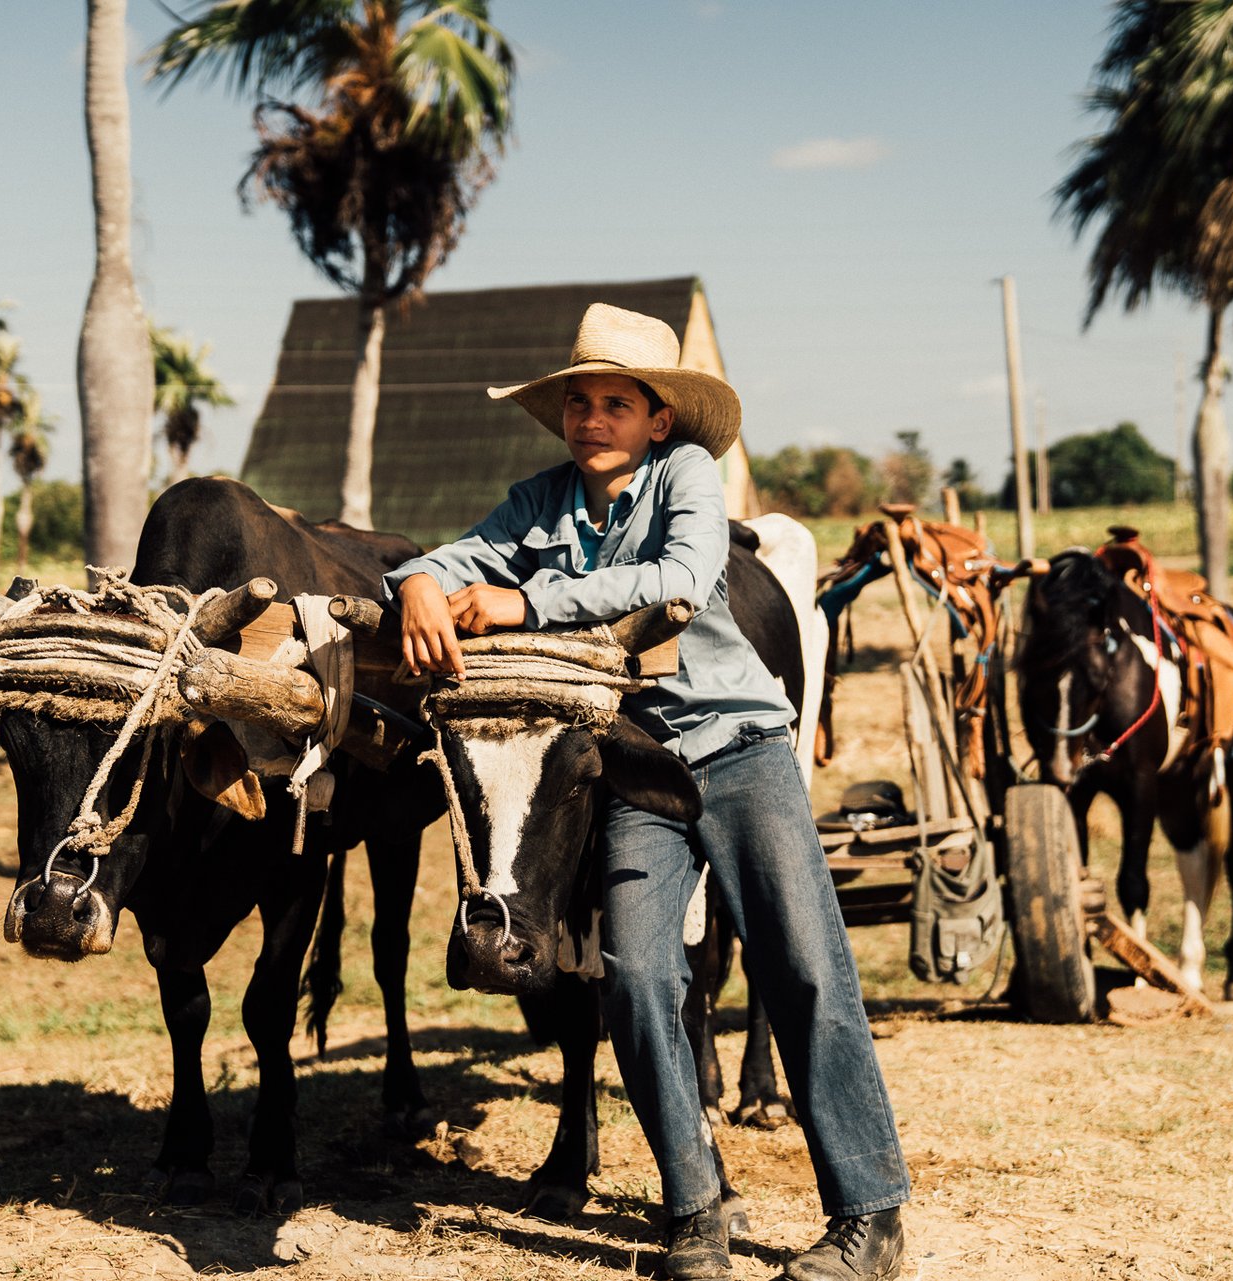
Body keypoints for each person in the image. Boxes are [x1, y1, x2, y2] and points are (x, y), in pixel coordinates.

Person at [383, 303, 910, 1281]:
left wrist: (523, 600)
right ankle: (694, 1209)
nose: (590, 418)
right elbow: (450, 559)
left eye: (613, 403)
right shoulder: (539, 501)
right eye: (578, 402)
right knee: (633, 974)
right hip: (632, 763)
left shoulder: (687, 479)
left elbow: (681, 574)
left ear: (658, 419)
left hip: (740, 748)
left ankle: (871, 1218)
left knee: (801, 966)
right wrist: (417, 583)